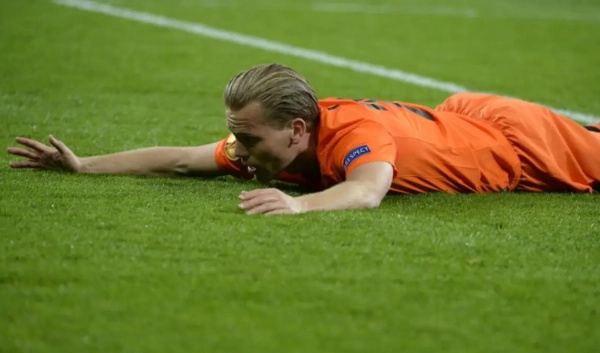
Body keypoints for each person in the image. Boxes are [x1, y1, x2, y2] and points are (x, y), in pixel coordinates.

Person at [7, 63, 600, 215]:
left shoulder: (354, 135)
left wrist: (299, 206)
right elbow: (183, 161)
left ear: (296, 130)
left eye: (246, 137)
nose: (236, 148)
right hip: (461, 118)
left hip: (519, 144)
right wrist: (84, 166)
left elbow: (366, 191)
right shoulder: (270, 150)